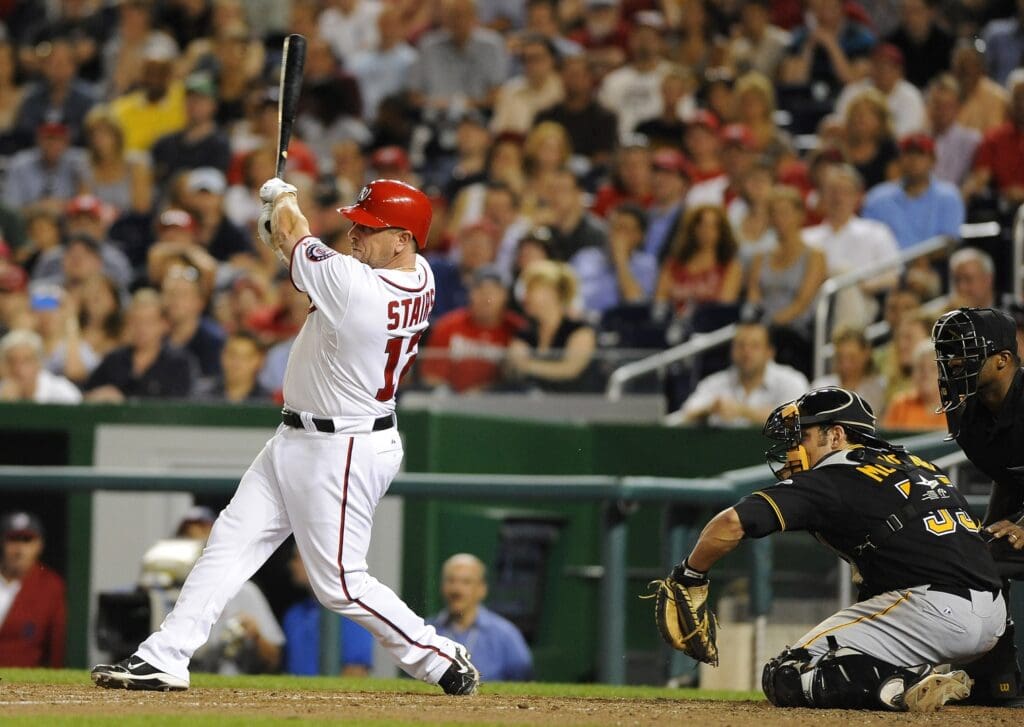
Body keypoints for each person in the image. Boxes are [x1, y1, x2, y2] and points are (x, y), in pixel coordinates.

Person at [91, 177, 481, 695]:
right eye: (354, 223)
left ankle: (438, 656)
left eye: (369, 227)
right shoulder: (417, 275)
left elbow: (301, 241)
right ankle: (166, 655)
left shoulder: (361, 289)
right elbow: (302, 253)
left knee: (340, 583)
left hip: (342, 447)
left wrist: (284, 199)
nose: (354, 234)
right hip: (301, 436)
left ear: (403, 239)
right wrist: (279, 229)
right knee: (228, 544)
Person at [664, 387, 1003, 711]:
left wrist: (690, 575)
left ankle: (903, 684)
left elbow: (731, 523)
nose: (794, 448)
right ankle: (977, 678)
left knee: (788, 674)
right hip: (995, 617)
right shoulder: (917, 465)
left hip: (935, 613)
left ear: (837, 435)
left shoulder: (833, 476)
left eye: (804, 436)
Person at [931, 306, 1024, 705]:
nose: (953, 362)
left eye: (966, 352)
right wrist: (985, 533)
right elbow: (1007, 475)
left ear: (1003, 360)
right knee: (975, 560)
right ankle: (999, 684)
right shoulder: (970, 415)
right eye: (949, 352)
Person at [671, 320, 808, 427]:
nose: (746, 352)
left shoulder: (792, 380)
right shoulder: (714, 383)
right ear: (731, 351)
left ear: (769, 352)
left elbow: (797, 420)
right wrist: (710, 409)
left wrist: (742, 411)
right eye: (741, 345)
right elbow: (686, 416)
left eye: (754, 346)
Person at [428, 553, 533, 682]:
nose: (457, 589)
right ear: (443, 587)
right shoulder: (428, 631)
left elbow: (522, 677)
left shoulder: (505, 634)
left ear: (481, 589)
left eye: (466, 582)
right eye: (451, 581)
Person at [420, 267, 524, 393]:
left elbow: (519, 378)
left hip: (498, 402)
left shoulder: (517, 329)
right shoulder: (448, 325)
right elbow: (432, 376)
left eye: (494, 291)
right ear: (469, 294)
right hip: (452, 401)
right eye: (479, 290)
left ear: (505, 296)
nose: (486, 297)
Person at [83, 288, 196, 402]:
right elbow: (83, 397)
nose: (141, 329)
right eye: (136, 321)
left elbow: (182, 405)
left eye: (148, 322)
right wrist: (99, 396)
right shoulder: (114, 360)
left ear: (164, 324)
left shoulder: (179, 363)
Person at [505, 260, 597, 393]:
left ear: (552, 292)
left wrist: (528, 366)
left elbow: (570, 370)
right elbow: (514, 365)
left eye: (531, 289)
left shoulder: (580, 330)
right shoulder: (527, 332)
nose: (525, 297)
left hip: (574, 403)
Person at [861, 133, 964, 250]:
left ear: (933, 160)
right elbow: (867, 240)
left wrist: (919, 261)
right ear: (899, 159)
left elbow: (949, 241)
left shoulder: (949, 196)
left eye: (920, 154)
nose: (913, 160)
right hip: (886, 265)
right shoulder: (877, 197)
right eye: (908, 154)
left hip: (933, 265)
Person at [283, 545, 374, 677]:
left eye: (297, 558)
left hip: (330, 697)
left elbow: (356, 673)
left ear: (317, 561)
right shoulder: (294, 615)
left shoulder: (351, 611)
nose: (291, 565)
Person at [0, 511, 66, 667]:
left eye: (26, 540)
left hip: (22, 685)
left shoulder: (50, 586)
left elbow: (58, 647)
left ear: (39, 545)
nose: (19, 549)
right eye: (13, 540)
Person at [811, 327, 887, 416]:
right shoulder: (821, 386)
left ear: (866, 354)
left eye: (852, 358)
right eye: (841, 357)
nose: (846, 364)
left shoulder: (879, 388)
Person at [0, 328, 82, 404]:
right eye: (12, 361)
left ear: (38, 364)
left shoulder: (62, 392)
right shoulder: (2, 393)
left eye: (26, 361)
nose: (18, 369)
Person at [881, 340, 945, 430]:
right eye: (921, 368)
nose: (926, 374)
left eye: (933, 368)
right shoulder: (900, 405)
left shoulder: (958, 406)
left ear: (945, 374)